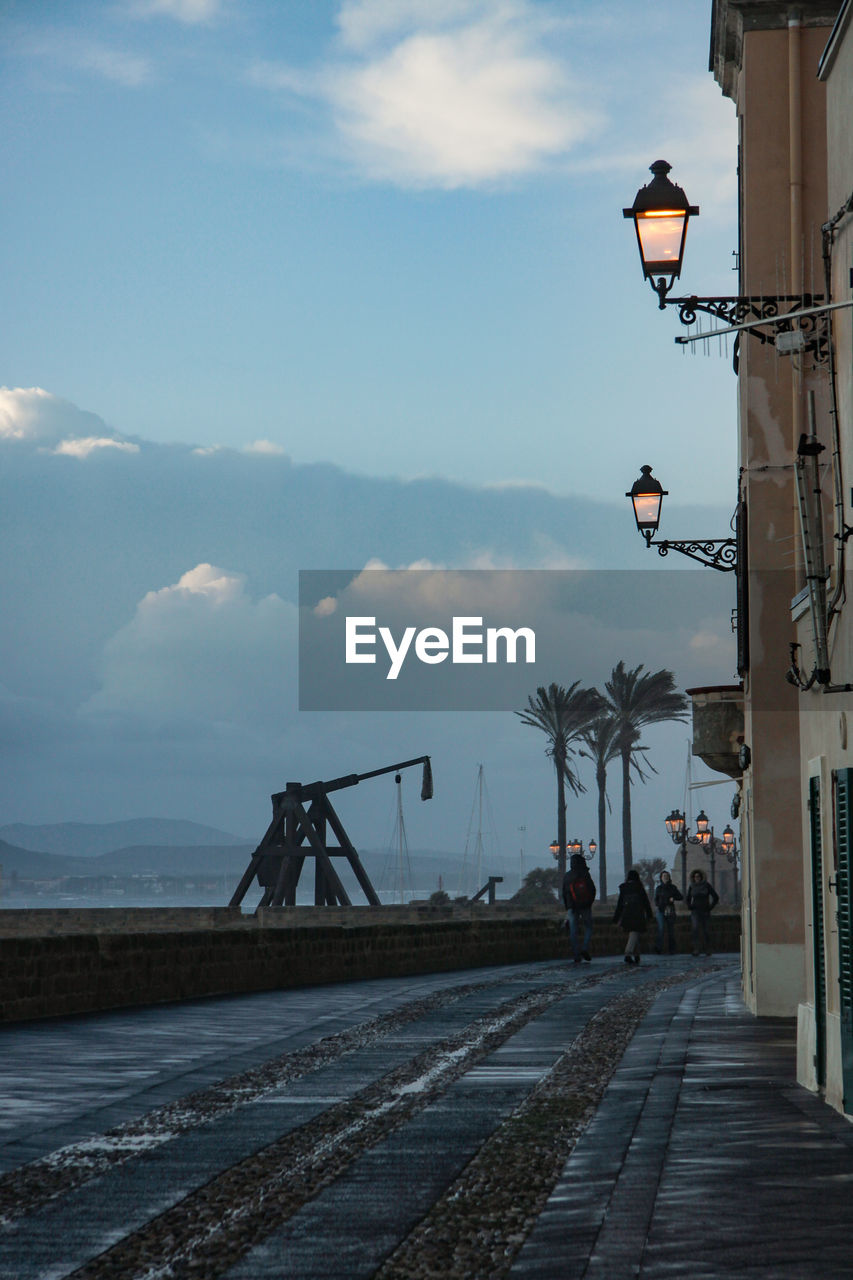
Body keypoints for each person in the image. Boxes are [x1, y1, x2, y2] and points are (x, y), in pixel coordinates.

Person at [612, 868, 653, 965]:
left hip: (627, 914)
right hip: (638, 914)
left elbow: (620, 904)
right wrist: (649, 914)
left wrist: (616, 918)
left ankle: (636, 955)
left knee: (633, 933)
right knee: (635, 932)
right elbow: (645, 902)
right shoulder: (639, 887)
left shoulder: (623, 887)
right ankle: (628, 953)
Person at [562, 852, 596, 964]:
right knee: (589, 927)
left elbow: (564, 893)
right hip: (585, 905)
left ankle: (576, 954)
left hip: (572, 907)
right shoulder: (585, 874)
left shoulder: (567, 876)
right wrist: (589, 902)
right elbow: (592, 889)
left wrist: (568, 906)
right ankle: (584, 948)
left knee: (573, 931)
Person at [686, 867, 719, 956]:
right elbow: (688, 898)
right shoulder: (692, 886)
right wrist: (690, 906)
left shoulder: (707, 885)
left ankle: (708, 949)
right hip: (695, 911)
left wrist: (710, 907)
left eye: (698, 876)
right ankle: (696, 949)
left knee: (706, 931)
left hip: (705, 910)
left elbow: (715, 897)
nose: (697, 878)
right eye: (695, 877)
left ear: (701, 877)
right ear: (693, 878)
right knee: (695, 930)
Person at [654, 870, 683, 954]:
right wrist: (660, 904)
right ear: (661, 878)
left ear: (669, 877)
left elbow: (680, 897)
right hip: (661, 910)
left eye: (667, 876)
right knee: (661, 929)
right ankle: (658, 948)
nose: (665, 877)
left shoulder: (673, 887)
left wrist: (673, 898)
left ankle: (672, 949)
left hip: (670, 911)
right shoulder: (659, 888)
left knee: (671, 931)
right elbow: (655, 900)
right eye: (664, 876)